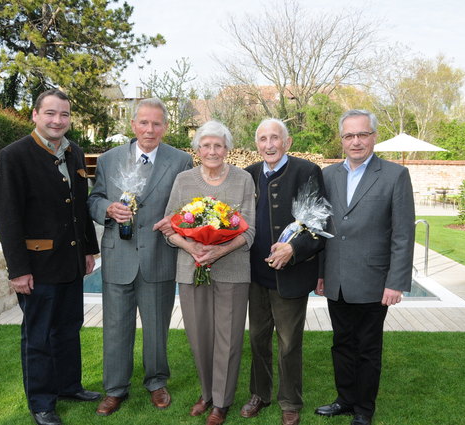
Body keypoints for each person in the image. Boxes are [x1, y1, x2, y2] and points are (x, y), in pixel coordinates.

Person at [0, 89, 101, 425]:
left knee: (68, 328)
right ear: (35, 115)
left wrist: (88, 250)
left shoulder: (74, 152)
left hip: (71, 262)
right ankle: (41, 402)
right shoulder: (15, 156)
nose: (58, 120)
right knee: (38, 336)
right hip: (37, 266)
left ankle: (69, 386)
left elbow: (81, 208)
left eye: (64, 114)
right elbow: (8, 218)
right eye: (51, 113)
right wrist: (18, 270)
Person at [87, 98, 193, 417]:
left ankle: (156, 382)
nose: (149, 129)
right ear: (133, 124)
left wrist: (175, 220)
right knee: (116, 328)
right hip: (118, 257)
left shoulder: (181, 160)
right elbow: (94, 199)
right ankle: (115, 389)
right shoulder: (109, 159)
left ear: (165, 127)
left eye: (156, 123)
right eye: (144, 122)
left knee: (157, 328)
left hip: (158, 256)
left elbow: (189, 207)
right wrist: (107, 209)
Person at [314, 109, 415, 425]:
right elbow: (321, 228)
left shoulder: (395, 175)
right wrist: (321, 274)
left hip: (374, 280)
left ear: (374, 136)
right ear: (341, 139)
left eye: (362, 134)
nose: (356, 141)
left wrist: (396, 281)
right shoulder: (328, 175)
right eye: (349, 135)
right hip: (336, 279)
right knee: (341, 344)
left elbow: (403, 233)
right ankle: (345, 400)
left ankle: (363, 410)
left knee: (368, 349)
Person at [162, 120, 256, 425]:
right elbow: (169, 227)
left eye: (218, 145)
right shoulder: (183, 180)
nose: (212, 151)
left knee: (228, 338)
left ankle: (222, 401)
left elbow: (249, 230)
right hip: (192, 269)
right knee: (199, 335)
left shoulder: (243, 179)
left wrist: (219, 250)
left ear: (227, 149)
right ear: (197, 149)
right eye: (206, 145)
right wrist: (191, 247)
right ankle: (207, 393)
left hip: (233, 269)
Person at [239, 119, 326, 425]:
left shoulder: (307, 171)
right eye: (263, 139)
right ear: (256, 144)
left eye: (275, 138)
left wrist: (294, 249)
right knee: (257, 339)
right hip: (255, 276)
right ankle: (259, 394)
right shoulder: (248, 174)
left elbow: (319, 222)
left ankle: (290, 401)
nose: (269, 144)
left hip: (291, 276)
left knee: (289, 343)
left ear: (287, 142)